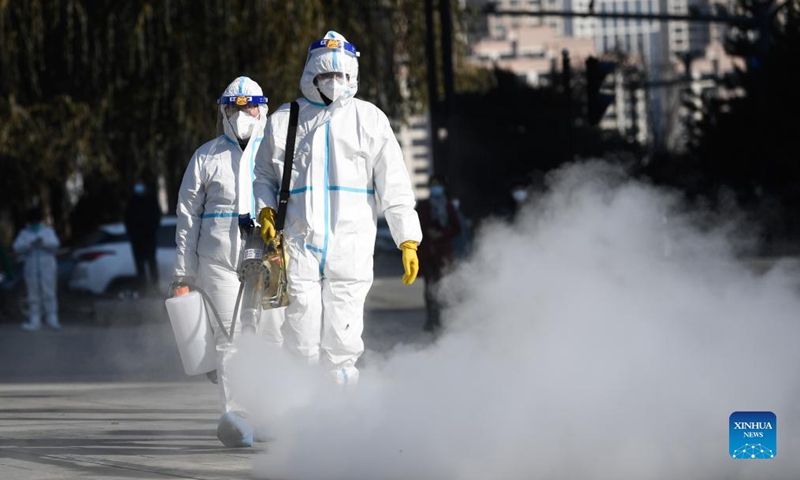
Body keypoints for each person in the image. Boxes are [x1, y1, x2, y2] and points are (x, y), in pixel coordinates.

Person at [254, 31, 422, 386]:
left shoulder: (369, 119)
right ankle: (302, 409)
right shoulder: (286, 119)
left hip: (352, 240)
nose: (334, 82)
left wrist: (407, 238)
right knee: (301, 333)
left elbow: (394, 182)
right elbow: (263, 175)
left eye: (341, 75)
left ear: (353, 76)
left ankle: (340, 414)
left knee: (344, 338)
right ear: (311, 75)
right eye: (326, 75)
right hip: (299, 240)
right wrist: (265, 210)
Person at [173, 76, 284, 447]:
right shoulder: (206, 156)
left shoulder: (275, 153)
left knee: (270, 334)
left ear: (262, 109)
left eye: (249, 106)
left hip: (266, 255)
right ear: (223, 111)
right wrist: (183, 272)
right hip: (217, 258)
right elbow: (187, 217)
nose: (242, 114)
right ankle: (237, 416)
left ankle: (272, 413)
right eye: (234, 108)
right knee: (230, 337)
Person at [417, 177, 461, 332]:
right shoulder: (422, 206)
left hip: (444, 254)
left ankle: (445, 317)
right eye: (433, 185)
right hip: (428, 252)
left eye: (438, 185)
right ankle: (431, 319)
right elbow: (416, 225)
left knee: (445, 286)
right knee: (429, 286)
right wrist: (428, 233)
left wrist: (442, 234)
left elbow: (457, 228)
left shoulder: (448, 207)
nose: (436, 188)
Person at [12, 207, 60, 331]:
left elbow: (55, 244)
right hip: (31, 267)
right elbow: (17, 247)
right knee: (33, 294)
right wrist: (29, 245)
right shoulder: (24, 233)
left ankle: (52, 318)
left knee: (49, 292)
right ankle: (35, 320)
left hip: (47, 266)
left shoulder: (47, 231)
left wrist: (43, 243)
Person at [124, 180, 161, 296]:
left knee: (151, 263)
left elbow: (156, 217)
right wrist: (133, 234)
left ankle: (155, 288)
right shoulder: (132, 202)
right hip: (137, 240)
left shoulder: (150, 201)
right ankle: (143, 289)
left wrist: (150, 230)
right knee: (140, 265)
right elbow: (127, 219)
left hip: (149, 238)